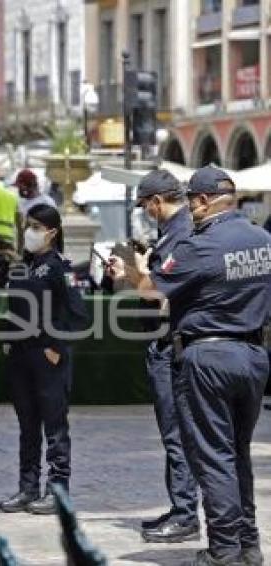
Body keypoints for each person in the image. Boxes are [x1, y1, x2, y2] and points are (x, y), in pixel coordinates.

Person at [108, 166, 271, 566]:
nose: (191, 212)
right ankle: (248, 545)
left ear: (201, 200)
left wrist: (127, 272)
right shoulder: (263, 240)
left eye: (193, 203)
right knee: (238, 454)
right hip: (253, 355)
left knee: (213, 458)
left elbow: (152, 290)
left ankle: (224, 551)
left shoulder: (202, 245)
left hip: (209, 357)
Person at [0, 204, 88, 515]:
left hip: (48, 356)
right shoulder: (22, 267)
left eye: (36, 226)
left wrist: (55, 346)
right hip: (22, 356)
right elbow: (17, 309)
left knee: (54, 426)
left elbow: (78, 315)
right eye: (28, 225)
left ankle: (57, 490)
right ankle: (28, 487)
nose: (30, 232)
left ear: (52, 231)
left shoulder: (60, 268)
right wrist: (10, 340)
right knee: (27, 425)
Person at [133, 170, 200, 543]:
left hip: (170, 344)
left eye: (146, 205)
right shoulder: (174, 232)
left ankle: (187, 514)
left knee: (177, 433)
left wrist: (136, 272)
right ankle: (180, 507)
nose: (146, 212)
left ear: (158, 201)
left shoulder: (180, 232)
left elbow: (156, 293)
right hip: (165, 342)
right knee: (172, 433)